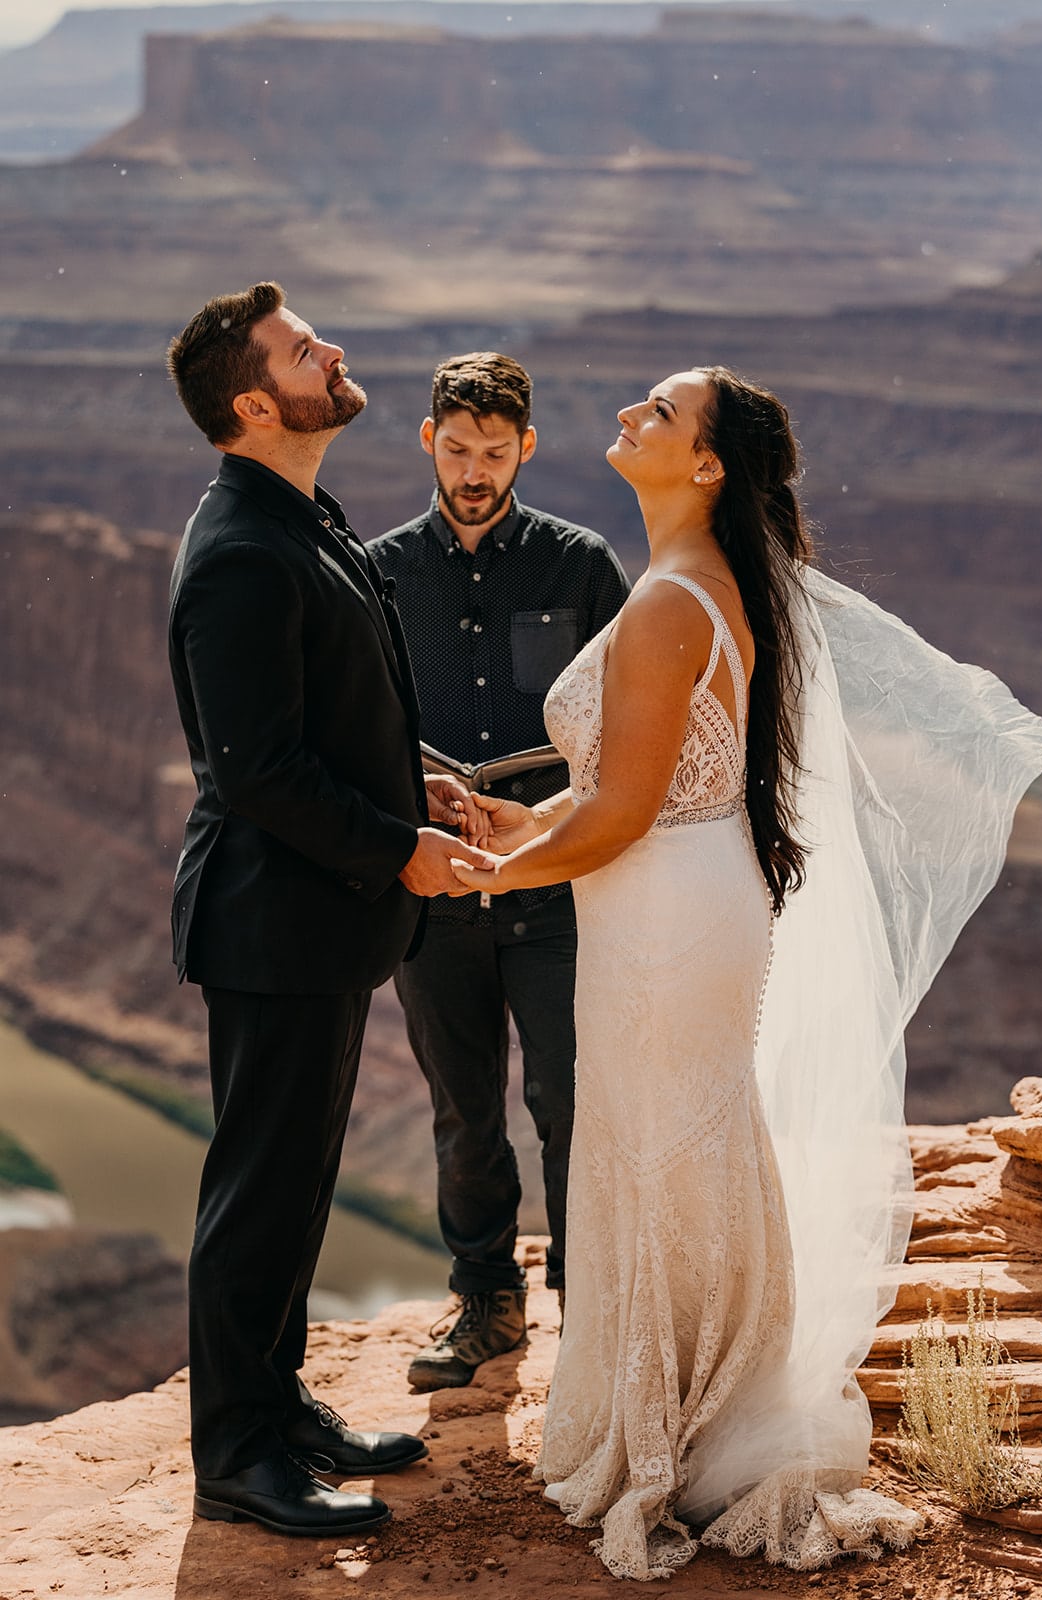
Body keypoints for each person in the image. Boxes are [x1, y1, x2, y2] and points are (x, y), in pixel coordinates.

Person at [452, 366, 1042, 1578]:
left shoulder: (674, 601)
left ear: (706, 466)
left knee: (665, 1144)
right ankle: (688, 1401)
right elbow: (618, 794)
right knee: (665, 1140)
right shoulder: (693, 588)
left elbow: (624, 813)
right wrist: (493, 824)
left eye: (660, 411)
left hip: (664, 915)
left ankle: (680, 1421)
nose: (631, 411)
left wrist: (475, 879)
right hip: (674, 900)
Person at [165, 282, 491, 1538]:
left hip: (318, 921)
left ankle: (277, 1402)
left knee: (300, 1182)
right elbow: (251, 771)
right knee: (258, 1189)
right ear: (256, 402)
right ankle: (237, 1457)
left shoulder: (293, 510)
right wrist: (394, 847)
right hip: (273, 923)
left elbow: (318, 712)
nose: (333, 351)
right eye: (306, 351)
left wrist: (409, 777)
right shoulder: (241, 549)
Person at [369, 353, 629, 1392]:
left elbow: (622, 728)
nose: (473, 471)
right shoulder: (374, 568)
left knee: (570, 1099)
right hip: (434, 887)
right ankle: (484, 1300)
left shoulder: (580, 567)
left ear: (525, 446)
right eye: (456, 448)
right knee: (461, 1105)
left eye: (493, 451)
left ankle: (589, 1312)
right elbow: (358, 723)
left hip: (557, 884)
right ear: (425, 439)